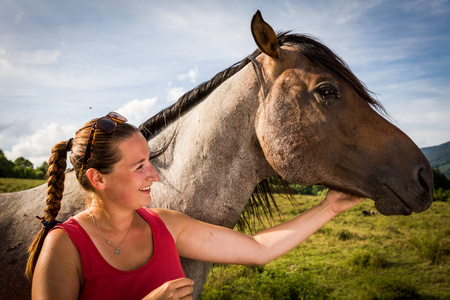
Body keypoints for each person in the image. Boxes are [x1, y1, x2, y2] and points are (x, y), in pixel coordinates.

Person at [26, 112, 364, 299]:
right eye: (138, 166)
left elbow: (258, 249)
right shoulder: (63, 247)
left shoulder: (166, 225)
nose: (154, 175)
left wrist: (329, 207)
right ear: (97, 179)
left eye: (149, 160)